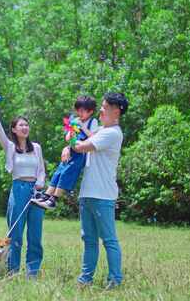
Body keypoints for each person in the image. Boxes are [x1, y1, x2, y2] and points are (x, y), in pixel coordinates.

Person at [71, 92, 128, 289]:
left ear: (116, 111)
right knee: (89, 240)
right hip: (87, 193)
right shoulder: (102, 131)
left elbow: (81, 147)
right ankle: (85, 279)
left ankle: (115, 280)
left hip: (102, 196)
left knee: (109, 240)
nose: (101, 111)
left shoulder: (112, 133)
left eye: (104, 108)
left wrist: (71, 134)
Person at [0, 106, 46, 277]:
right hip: (19, 189)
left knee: (35, 235)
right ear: (14, 129)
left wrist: (40, 184)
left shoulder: (36, 147)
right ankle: (12, 271)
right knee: (15, 234)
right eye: (21, 125)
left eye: (27, 125)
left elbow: (42, 170)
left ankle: (32, 272)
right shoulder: (10, 147)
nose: (25, 127)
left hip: (36, 192)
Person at [32, 95, 99, 210]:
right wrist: (71, 133)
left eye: (83, 111)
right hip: (72, 150)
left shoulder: (93, 122)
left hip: (82, 153)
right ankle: (47, 195)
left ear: (90, 111)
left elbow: (93, 137)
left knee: (67, 173)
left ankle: (54, 199)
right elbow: (68, 138)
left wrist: (82, 126)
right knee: (59, 171)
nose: (80, 113)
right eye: (78, 110)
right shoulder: (74, 121)